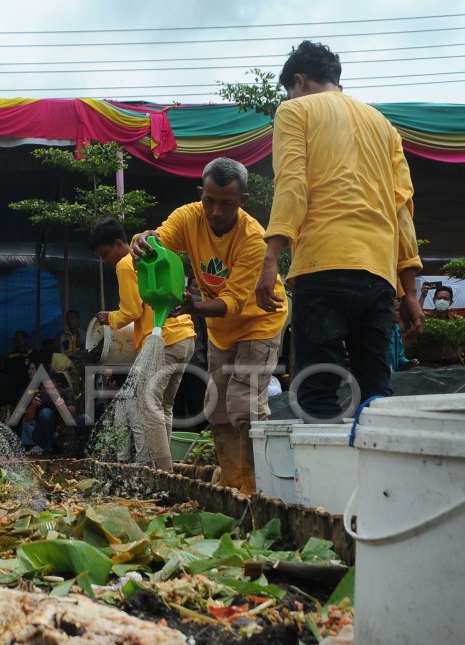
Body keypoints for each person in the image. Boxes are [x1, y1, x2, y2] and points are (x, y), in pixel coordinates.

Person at [255, 40, 423, 422]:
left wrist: (271, 257)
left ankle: (323, 481)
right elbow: (402, 208)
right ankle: (378, 476)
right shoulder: (384, 126)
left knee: (317, 390)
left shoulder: (295, 110)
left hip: (323, 265)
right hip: (378, 275)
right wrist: (409, 289)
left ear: (298, 80)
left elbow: (292, 183)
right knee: (375, 391)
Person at [132, 158, 287, 492]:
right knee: (217, 408)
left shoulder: (253, 239)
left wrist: (193, 306)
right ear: (201, 193)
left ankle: (258, 491)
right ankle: (234, 485)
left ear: (242, 201)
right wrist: (143, 241)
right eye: (210, 201)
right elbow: (161, 243)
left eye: (227, 204)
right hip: (219, 327)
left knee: (244, 406)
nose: (216, 211)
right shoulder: (188, 216)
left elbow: (231, 302)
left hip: (259, 320)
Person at [91, 218, 197, 471]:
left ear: (119, 244)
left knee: (148, 406)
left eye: (106, 254)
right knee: (164, 406)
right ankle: (164, 465)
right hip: (185, 337)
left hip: (163, 340)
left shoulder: (127, 264)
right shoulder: (151, 251)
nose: (106, 260)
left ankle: (162, 471)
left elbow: (131, 310)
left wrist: (111, 318)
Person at [21, 372, 91, 456]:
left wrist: (63, 406)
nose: (49, 391)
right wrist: (33, 406)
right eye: (46, 388)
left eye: (52, 388)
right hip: (44, 436)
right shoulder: (39, 395)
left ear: (59, 388)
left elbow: (73, 415)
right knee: (46, 413)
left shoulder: (66, 393)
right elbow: (28, 419)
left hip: (65, 433)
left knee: (85, 419)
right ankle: (47, 450)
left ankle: (81, 451)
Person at [388, 300, 417, 371]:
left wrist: (409, 363)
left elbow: (400, 357)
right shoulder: (378, 331)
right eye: (397, 310)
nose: (400, 313)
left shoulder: (396, 330)